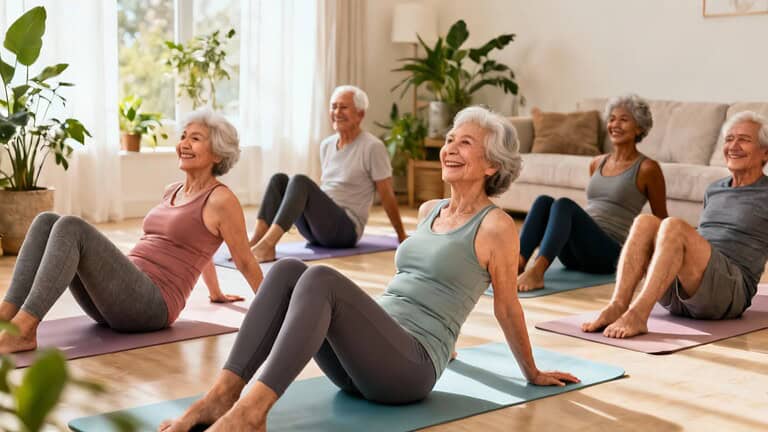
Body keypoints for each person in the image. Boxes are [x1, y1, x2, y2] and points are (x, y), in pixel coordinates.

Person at [160, 106, 580, 432]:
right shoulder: (430, 210)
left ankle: (252, 412)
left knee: (320, 278)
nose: (450, 148)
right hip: (363, 362)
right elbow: (421, 281)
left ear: (491, 165)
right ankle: (221, 396)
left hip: (408, 371)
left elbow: (506, 306)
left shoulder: (496, 226)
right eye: (450, 139)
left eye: (465, 143)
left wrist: (532, 372)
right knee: (288, 270)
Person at [0, 109, 263, 354]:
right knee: (46, 220)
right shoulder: (172, 190)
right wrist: (215, 293)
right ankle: (6, 318)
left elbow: (244, 261)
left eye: (195, 139)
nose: (184, 143)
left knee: (71, 227)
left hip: (151, 305)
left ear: (218, 154)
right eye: (183, 136)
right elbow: (200, 246)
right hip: (121, 295)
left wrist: (275, 310)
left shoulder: (221, 200)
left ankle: (24, 330)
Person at [582, 111, 768, 338]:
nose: (733, 146)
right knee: (645, 221)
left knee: (674, 226)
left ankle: (638, 314)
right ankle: (618, 305)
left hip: (727, 294)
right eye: (729, 139)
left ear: (765, 152)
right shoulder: (715, 189)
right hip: (683, 290)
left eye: (744, 139)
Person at [517, 94, 668, 291]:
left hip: (609, 255)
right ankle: (517, 265)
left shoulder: (648, 168)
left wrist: (652, 260)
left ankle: (537, 272)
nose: (615, 124)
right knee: (543, 201)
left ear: (639, 128)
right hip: (576, 254)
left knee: (563, 204)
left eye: (624, 120)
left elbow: (662, 220)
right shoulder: (597, 162)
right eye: (612, 119)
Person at [248, 85, 407, 262]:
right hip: (317, 230)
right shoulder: (327, 145)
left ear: (360, 114)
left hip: (345, 230)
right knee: (279, 180)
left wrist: (401, 236)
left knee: (300, 181)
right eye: (334, 107)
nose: (337, 112)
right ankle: (255, 241)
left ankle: (267, 245)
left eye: (343, 107)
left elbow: (387, 195)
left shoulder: (373, 147)